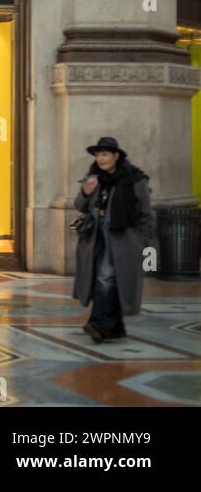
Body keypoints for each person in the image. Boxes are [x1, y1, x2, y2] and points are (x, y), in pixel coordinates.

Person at [73, 136, 154, 343]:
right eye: (98, 154)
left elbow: (146, 214)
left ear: (116, 156)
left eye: (105, 154)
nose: (100, 159)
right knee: (109, 280)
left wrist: (142, 243)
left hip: (124, 241)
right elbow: (80, 205)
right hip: (96, 239)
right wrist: (86, 191)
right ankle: (115, 327)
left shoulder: (136, 180)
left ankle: (98, 324)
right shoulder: (94, 178)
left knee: (105, 278)